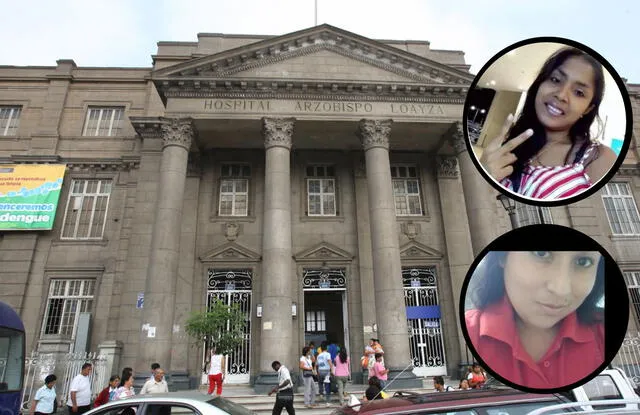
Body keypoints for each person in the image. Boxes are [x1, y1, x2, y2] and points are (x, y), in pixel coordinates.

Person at [479, 47, 617, 200]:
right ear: (540, 83)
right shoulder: (512, 146)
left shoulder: (599, 158)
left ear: (588, 108)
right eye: (555, 80)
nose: (561, 95)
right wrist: (481, 174)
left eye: (579, 92)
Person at [465, 251, 605, 389]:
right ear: (502, 257)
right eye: (541, 253)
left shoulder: (602, 331)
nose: (561, 289)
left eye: (583, 262)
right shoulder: (471, 331)